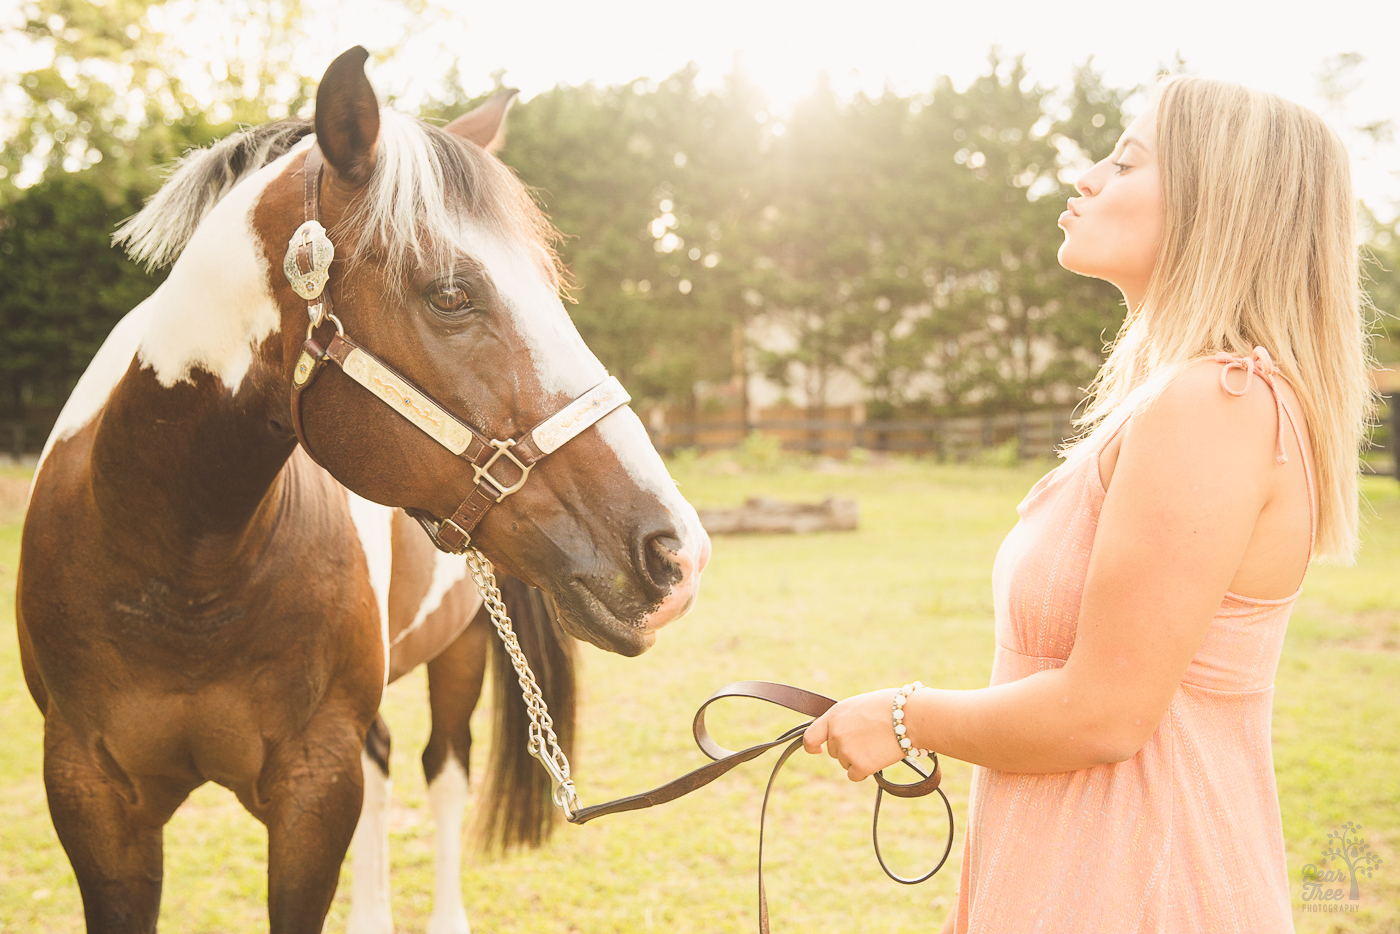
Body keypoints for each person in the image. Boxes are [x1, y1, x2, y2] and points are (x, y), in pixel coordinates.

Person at [803, 75, 1373, 933]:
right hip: (1085, 867)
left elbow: (1104, 714)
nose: (1087, 179)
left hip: (1142, 880)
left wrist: (901, 715)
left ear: (1217, 203)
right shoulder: (1183, 400)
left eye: (1125, 162)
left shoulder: (1214, 403)